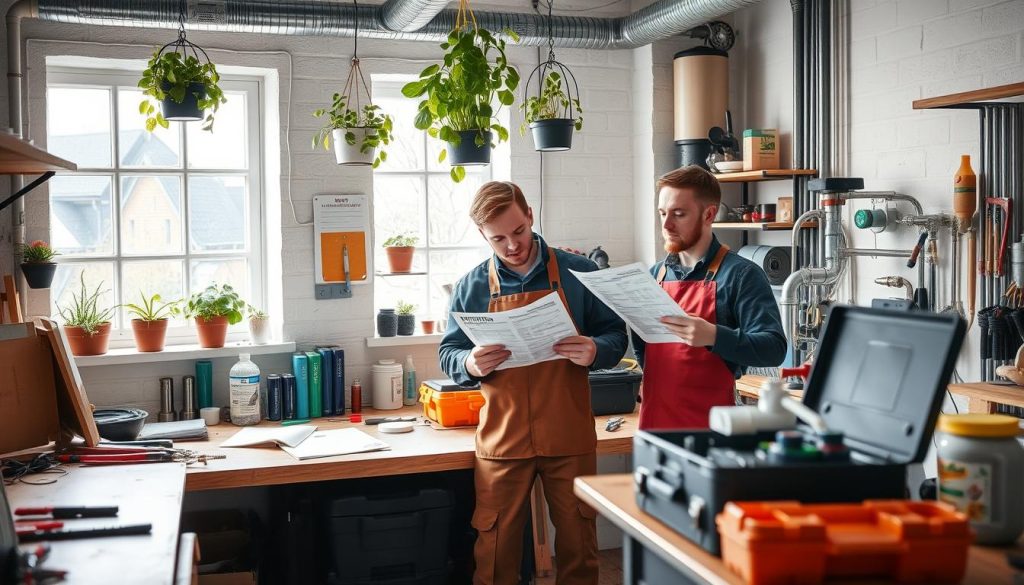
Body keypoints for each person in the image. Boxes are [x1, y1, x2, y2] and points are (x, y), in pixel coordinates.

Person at [439, 181, 627, 585]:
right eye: (499, 238)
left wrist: (596, 349)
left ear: (530, 214)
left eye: (518, 231)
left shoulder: (581, 273)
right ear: (482, 235)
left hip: (569, 435)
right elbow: (448, 352)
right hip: (503, 440)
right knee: (494, 553)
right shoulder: (470, 287)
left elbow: (616, 335)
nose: (512, 245)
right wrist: (469, 363)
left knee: (580, 546)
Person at [634, 165, 787, 430]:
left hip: (712, 432)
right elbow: (643, 348)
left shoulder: (741, 275)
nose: (667, 225)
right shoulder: (653, 276)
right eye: (662, 213)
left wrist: (714, 336)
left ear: (709, 214)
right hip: (654, 427)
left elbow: (774, 349)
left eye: (679, 214)